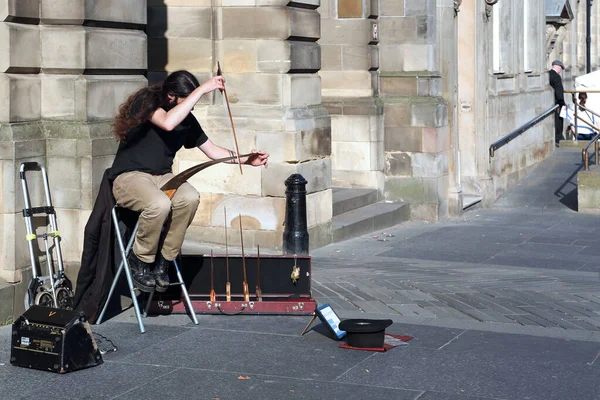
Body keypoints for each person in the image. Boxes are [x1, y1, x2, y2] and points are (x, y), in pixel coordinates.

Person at [108, 70, 269, 293]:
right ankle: (141, 260)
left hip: (162, 177)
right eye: (189, 99)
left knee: (190, 197)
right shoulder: (147, 102)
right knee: (159, 204)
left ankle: (163, 262)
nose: (192, 106)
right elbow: (167, 123)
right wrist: (203, 89)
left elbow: (213, 151)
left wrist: (247, 160)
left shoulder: (188, 121)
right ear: (171, 96)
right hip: (130, 176)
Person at [549, 59, 566, 147]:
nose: (561, 70)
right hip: (556, 103)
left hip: (550, 103)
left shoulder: (548, 74)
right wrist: (562, 103)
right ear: (559, 67)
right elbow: (559, 91)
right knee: (559, 120)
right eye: (561, 68)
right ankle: (558, 138)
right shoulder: (556, 76)